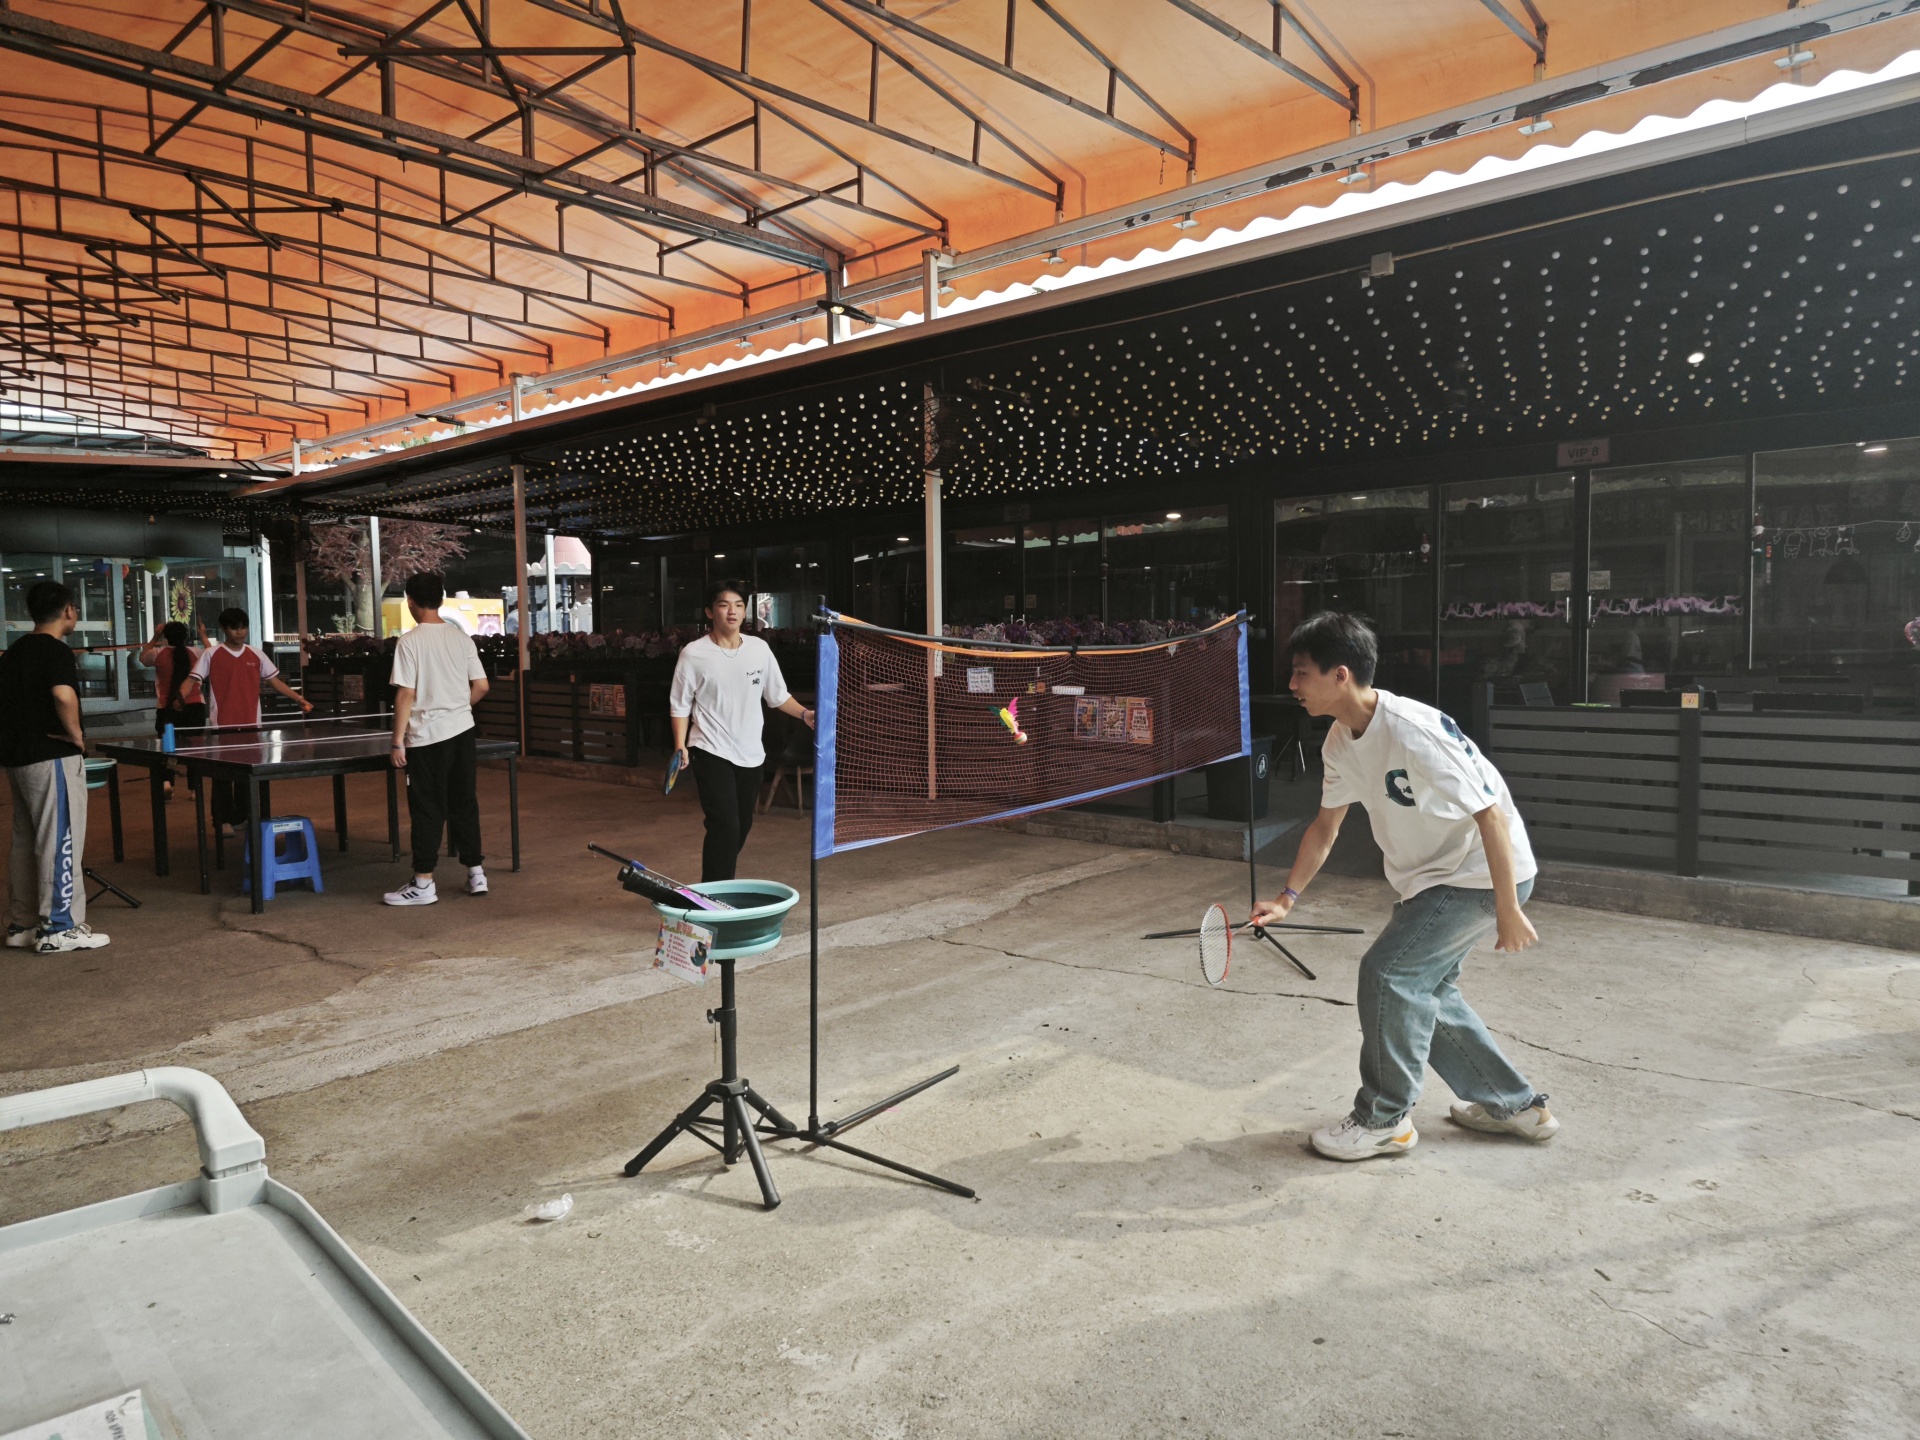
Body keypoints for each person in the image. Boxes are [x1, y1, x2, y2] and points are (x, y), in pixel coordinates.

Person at [1251, 611, 1557, 1162]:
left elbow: (1490, 814)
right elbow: (1325, 827)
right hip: (1433, 880)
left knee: (1389, 975)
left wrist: (1507, 907)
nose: (1292, 684)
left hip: (1477, 875)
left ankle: (1385, 1119)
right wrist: (1286, 899)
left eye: (1301, 673)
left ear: (1340, 675)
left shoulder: (1414, 731)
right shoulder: (1340, 741)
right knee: (1424, 993)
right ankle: (1515, 1107)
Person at [669, 581, 814, 882]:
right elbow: (680, 704)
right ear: (710, 612)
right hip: (709, 748)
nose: (732, 611)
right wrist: (680, 745)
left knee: (742, 825)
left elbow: (777, 695)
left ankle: (712, 886)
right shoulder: (693, 654)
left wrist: (804, 714)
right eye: (724, 605)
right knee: (724, 823)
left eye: (738, 605)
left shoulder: (759, 649)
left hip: (750, 752)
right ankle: (715, 892)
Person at [0, 581, 108, 953]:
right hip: (51, 758)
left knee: (25, 840)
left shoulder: (13, 653)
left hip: (18, 759)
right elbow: (63, 695)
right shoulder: (55, 650)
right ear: (67, 611)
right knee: (60, 839)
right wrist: (76, 736)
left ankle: (23, 924)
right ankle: (60, 928)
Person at [383, 572, 490, 907]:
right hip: (463, 733)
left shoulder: (410, 642)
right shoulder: (461, 639)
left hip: (427, 739)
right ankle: (476, 874)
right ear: (441, 600)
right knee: (464, 802)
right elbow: (482, 686)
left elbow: (405, 694)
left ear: (410, 601)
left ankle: (424, 883)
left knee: (427, 809)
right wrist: (457, 708)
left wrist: (397, 742)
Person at [191, 606, 313, 830]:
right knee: (223, 776)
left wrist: (298, 698)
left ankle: (242, 817)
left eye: (243, 627)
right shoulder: (211, 654)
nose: (240, 632)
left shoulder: (256, 654)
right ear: (224, 629)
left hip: (251, 726)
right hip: (222, 726)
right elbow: (193, 680)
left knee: (247, 774)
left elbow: (275, 682)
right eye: (234, 628)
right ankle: (222, 820)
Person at [138, 620, 208, 738]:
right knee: (195, 745)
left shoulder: (157, 653)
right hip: (195, 705)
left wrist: (155, 637)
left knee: (168, 744)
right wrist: (203, 636)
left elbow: (142, 657)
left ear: (165, 636)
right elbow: (211, 655)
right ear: (185, 636)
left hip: (167, 705)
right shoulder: (196, 652)